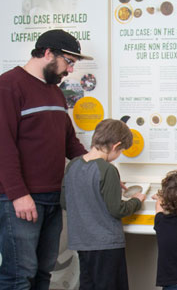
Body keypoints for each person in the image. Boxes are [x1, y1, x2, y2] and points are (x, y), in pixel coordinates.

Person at [0, 29, 93, 289]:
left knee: (44, 272)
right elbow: (2, 146)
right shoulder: (7, 86)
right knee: (18, 275)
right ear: (47, 53)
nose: (69, 70)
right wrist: (19, 195)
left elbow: (69, 142)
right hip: (18, 199)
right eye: (68, 61)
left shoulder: (55, 92)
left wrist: (97, 168)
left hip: (51, 197)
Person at [61, 119, 146, 290]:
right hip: (106, 245)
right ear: (116, 146)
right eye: (121, 151)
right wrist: (137, 200)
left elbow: (65, 202)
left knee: (87, 285)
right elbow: (117, 209)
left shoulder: (73, 165)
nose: (118, 155)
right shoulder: (108, 170)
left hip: (81, 242)